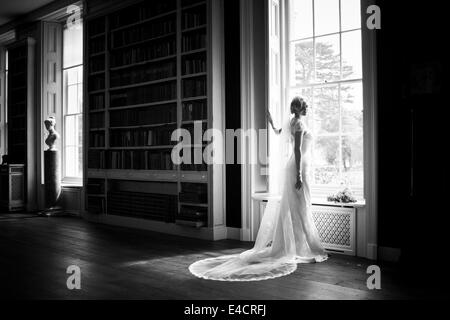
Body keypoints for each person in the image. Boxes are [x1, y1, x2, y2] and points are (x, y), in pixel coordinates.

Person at [189, 97, 328, 282]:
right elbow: (297, 151)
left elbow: (279, 132)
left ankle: (295, 246)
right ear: (299, 108)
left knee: (294, 208)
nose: (308, 108)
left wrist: (271, 122)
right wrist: (299, 175)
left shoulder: (292, 122)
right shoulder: (300, 124)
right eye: (306, 106)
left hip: (295, 168)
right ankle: (301, 247)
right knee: (300, 207)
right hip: (297, 168)